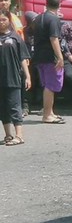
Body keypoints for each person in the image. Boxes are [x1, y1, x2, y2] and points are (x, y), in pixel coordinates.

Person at [32, 0, 65, 124]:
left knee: (47, 84)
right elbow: (54, 38)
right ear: (59, 5)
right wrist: (60, 57)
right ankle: (47, 115)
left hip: (39, 56)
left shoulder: (38, 18)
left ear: (46, 3)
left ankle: (50, 112)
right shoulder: (54, 19)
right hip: (50, 57)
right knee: (51, 86)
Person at [0, 10, 31, 145]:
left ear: (9, 21)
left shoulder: (15, 37)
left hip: (12, 78)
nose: (1, 23)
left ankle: (19, 135)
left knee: (14, 106)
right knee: (2, 108)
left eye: (3, 20)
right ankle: (8, 135)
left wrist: (28, 76)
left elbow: (23, 58)